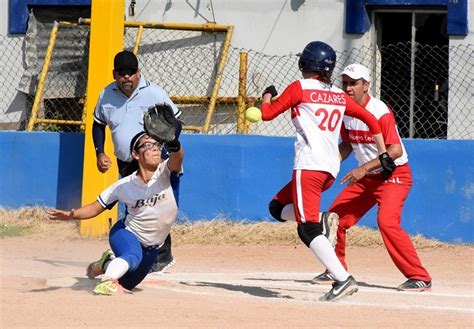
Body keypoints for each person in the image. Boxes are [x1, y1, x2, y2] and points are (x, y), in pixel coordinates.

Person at [253, 41, 395, 301]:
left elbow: (267, 114)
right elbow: (372, 120)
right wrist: (383, 152)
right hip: (330, 169)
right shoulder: (338, 95)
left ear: (305, 64)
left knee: (307, 230)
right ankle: (320, 219)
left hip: (308, 166)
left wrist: (266, 97)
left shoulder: (300, 87)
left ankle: (342, 279)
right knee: (276, 207)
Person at [311, 63, 432, 291]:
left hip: (394, 175)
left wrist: (363, 169)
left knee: (386, 222)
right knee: (334, 219)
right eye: (345, 83)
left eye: (353, 83)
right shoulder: (346, 111)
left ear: (366, 86)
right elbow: (347, 143)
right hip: (367, 178)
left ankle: (420, 276)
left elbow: (394, 150)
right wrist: (328, 162)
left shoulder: (379, 111)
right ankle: (334, 269)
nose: (348, 88)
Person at [48, 132, 184, 295]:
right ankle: (106, 282)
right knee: (131, 256)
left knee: (127, 284)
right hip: (127, 234)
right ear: (135, 154)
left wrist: (173, 142)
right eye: (147, 145)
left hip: (153, 247)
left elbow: (178, 157)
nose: (155, 149)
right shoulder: (123, 186)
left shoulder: (166, 172)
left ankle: (105, 263)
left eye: (157, 145)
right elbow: (95, 207)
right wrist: (72, 215)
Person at [92, 50, 181, 273]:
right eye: (122, 73)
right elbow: (97, 124)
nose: (127, 77)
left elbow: (176, 121)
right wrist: (99, 152)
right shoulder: (106, 95)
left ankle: (161, 256)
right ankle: (136, 253)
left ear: (138, 73)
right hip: (125, 160)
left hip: (152, 162)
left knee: (156, 207)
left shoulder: (153, 92)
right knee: (135, 209)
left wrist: (169, 143)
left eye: (131, 72)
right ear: (114, 74)